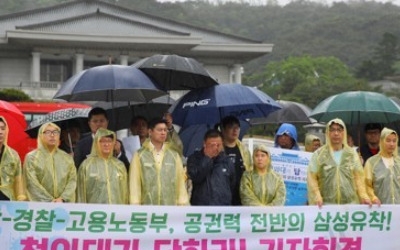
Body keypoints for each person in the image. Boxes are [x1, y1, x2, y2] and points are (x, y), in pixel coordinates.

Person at [307, 118, 371, 207]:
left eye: (339, 130)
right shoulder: (319, 154)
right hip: (326, 206)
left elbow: (359, 178)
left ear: (344, 133)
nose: (336, 133)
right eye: (332, 130)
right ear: (327, 133)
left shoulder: (352, 154)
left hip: (350, 205)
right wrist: (317, 196)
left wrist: (364, 197)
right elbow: (312, 178)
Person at [129, 118, 189, 205]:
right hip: (147, 207)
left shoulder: (174, 155)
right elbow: (134, 183)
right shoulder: (139, 155)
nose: (163, 133)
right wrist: (135, 205)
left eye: (165, 130)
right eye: (159, 130)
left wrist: (183, 205)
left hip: (170, 206)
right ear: (150, 132)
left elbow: (180, 183)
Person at [23, 122, 76, 202]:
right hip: (40, 207)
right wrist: (49, 200)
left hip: (63, 206)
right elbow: (32, 183)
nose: (52, 135)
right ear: (41, 135)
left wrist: (63, 198)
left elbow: (72, 180)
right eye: (47, 132)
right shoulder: (32, 157)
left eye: (55, 132)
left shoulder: (67, 158)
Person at [77, 128, 128, 204]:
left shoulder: (119, 165)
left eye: (109, 141)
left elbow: (125, 193)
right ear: (96, 143)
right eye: (102, 141)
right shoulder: (86, 165)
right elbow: (81, 194)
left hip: (117, 213)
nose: (106, 144)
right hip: (94, 213)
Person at [187, 129, 235, 205]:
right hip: (202, 207)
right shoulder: (194, 158)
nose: (215, 148)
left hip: (222, 207)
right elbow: (195, 177)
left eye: (218, 145)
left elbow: (232, 185)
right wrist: (208, 158)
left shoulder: (227, 161)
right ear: (204, 144)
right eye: (212, 145)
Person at [220, 115, 252, 206]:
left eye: (237, 127)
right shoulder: (217, 149)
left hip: (240, 197)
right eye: (231, 127)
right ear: (223, 129)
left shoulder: (244, 151)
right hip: (222, 197)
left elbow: (250, 173)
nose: (235, 130)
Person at [364, 127, 400, 205]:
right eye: (388, 140)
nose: (391, 144)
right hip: (380, 209)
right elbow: (367, 185)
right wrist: (373, 198)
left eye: (394, 141)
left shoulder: (398, 161)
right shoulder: (371, 162)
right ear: (382, 141)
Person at [0, 116, 27, 201]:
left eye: (3, 129)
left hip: (8, 200)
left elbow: (18, 181)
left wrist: (21, 198)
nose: (0, 132)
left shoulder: (13, 155)